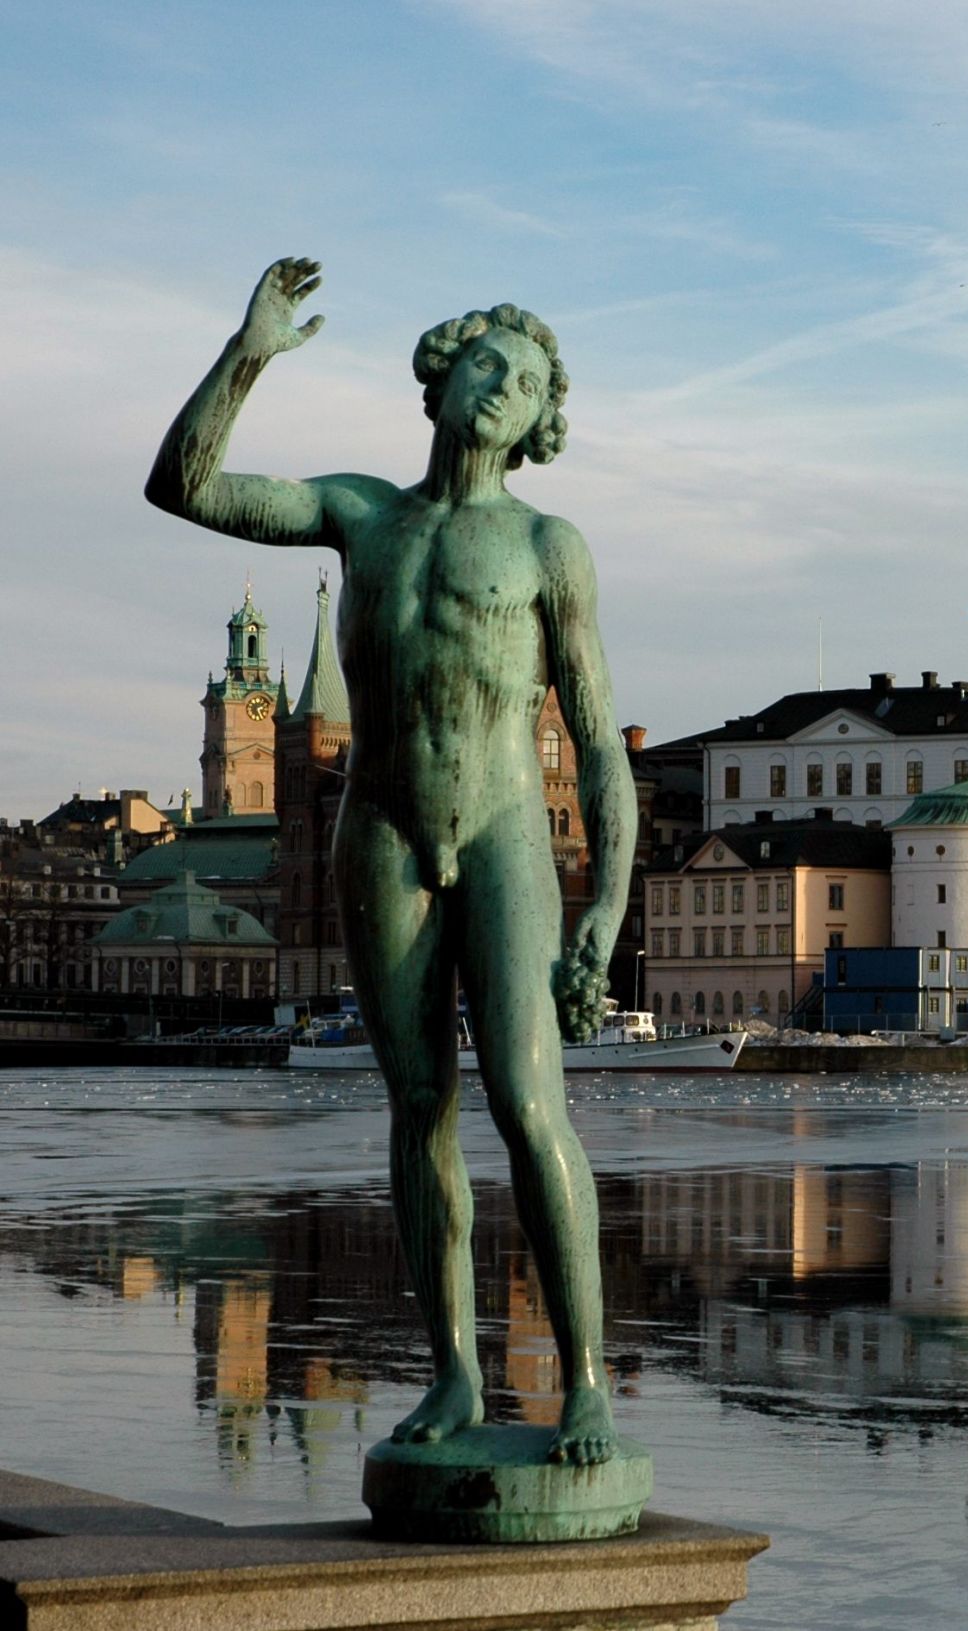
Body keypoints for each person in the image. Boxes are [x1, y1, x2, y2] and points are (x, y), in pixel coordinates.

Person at [146, 258, 636, 1466]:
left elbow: (599, 740)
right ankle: (457, 1376)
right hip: (382, 833)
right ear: (441, 374)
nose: (496, 387)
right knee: (417, 1107)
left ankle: (583, 1386)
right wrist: (249, 349)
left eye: (523, 383)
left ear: (537, 424)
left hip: (507, 832)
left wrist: (606, 906)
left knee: (527, 1101)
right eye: (485, 362)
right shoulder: (362, 512)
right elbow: (183, 483)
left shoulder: (546, 547)